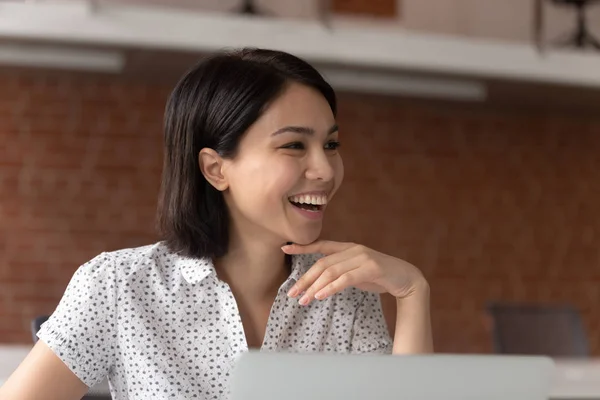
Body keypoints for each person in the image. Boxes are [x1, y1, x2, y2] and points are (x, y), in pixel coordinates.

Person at [0, 48, 432, 400]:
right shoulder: (116, 287)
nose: (325, 169)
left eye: (331, 144)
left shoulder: (346, 296)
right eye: (295, 145)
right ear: (215, 169)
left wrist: (411, 291)